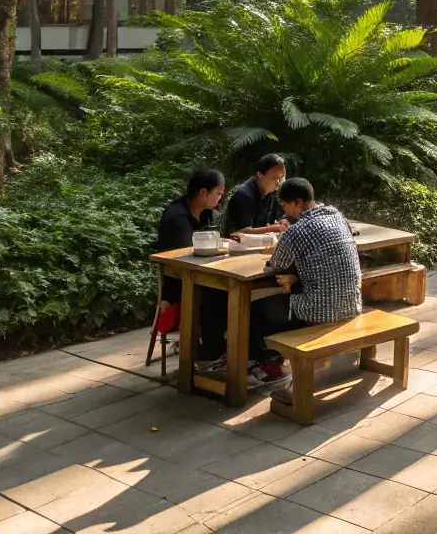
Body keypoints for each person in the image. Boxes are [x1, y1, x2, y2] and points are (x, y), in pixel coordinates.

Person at [252, 178, 363, 401]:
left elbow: (277, 264)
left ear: (298, 202)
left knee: (253, 311)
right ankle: (273, 362)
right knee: (277, 305)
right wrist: (296, 275)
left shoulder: (297, 230)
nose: (283, 210)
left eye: (284, 205)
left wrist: (289, 273)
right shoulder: (337, 216)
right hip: (352, 304)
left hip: (318, 310)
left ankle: (269, 368)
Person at [155, 168, 229, 365]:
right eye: (218, 194)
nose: (220, 199)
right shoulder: (176, 216)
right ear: (203, 193)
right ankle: (210, 354)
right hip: (178, 281)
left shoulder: (208, 214)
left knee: (231, 292)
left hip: (204, 273)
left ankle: (227, 347)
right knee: (218, 296)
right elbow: (184, 256)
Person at [224, 153, 289, 238]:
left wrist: (277, 225)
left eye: (281, 178)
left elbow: (260, 227)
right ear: (259, 175)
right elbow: (242, 233)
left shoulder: (270, 194)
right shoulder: (244, 195)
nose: (278, 183)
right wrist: (274, 228)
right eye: (274, 178)